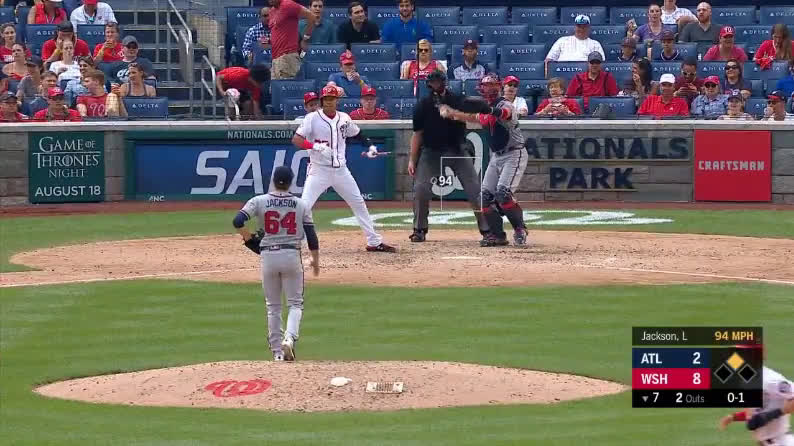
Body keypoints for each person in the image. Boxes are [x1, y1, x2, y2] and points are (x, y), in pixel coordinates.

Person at [291, 85, 397, 253]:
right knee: (305, 205)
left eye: (332, 99)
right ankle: (292, 241)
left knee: (358, 203)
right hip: (319, 170)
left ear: (337, 101)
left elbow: (357, 134)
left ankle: (374, 241)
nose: (329, 102)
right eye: (326, 99)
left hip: (341, 171)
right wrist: (313, 146)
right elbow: (296, 140)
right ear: (322, 101)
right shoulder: (312, 118)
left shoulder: (344, 118)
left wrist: (370, 146)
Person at [232, 165, 319, 362]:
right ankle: (290, 338)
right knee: (295, 304)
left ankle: (277, 352)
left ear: (273, 180)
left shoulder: (259, 201)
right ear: (291, 183)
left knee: (273, 306)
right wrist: (315, 261)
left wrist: (247, 239)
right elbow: (312, 237)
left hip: (268, 257)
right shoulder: (301, 204)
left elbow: (237, 220)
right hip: (291, 255)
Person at [439, 74, 528, 247]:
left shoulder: (505, 104)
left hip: (514, 154)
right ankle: (498, 236)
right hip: (497, 156)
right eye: (485, 86)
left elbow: (504, 114)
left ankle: (519, 229)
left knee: (503, 194)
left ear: (497, 87)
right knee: (483, 198)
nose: (487, 89)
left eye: (490, 86)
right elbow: (475, 118)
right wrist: (453, 114)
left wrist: (482, 109)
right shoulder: (485, 107)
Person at [407, 70, 490, 244]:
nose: (436, 86)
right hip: (431, 151)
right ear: (429, 85)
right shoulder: (423, 104)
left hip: (457, 149)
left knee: (474, 189)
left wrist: (454, 112)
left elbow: (478, 111)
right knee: (421, 189)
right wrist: (412, 159)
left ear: (444, 82)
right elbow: (417, 134)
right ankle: (419, 229)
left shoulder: (457, 99)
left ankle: (487, 229)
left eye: (439, 82)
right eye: (433, 83)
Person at [718, 345, 794, 446]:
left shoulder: (771, 380)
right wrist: (734, 417)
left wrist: (775, 414)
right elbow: (757, 413)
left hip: (780, 441)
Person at [268, 0, 316, 80]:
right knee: (275, 91)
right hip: (275, 58)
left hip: (287, 56)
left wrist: (306, 38)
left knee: (285, 89)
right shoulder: (272, 11)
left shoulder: (288, 4)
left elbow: (311, 16)